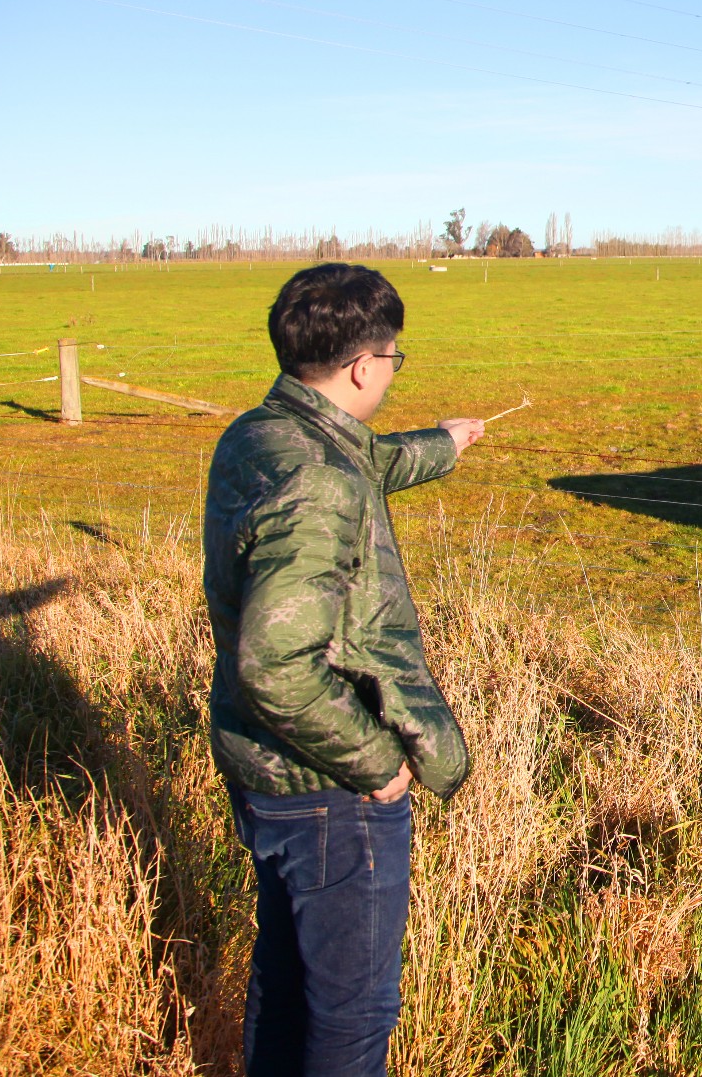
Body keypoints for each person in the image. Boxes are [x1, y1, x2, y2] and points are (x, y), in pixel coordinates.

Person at [203, 263, 485, 1075]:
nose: (394, 370)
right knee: (354, 1014)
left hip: (265, 769)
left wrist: (442, 443)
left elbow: (357, 463)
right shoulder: (321, 481)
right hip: (329, 787)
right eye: (394, 357)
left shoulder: (261, 433)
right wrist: (378, 762)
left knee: (286, 981)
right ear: (364, 366)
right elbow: (276, 662)